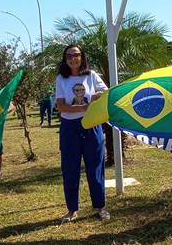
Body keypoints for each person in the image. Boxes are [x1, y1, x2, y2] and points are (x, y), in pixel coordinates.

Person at [55, 44, 109, 223]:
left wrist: (97, 97)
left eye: (76, 55)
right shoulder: (61, 79)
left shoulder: (91, 75)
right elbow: (61, 106)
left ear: (82, 57)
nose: (72, 58)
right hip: (69, 128)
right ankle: (72, 210)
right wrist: (86, 106)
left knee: (95, 167)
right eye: (69, 56)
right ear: (65, 59)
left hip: (91, 126)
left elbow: (105, 93)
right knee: (70, 169)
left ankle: (100, 207)